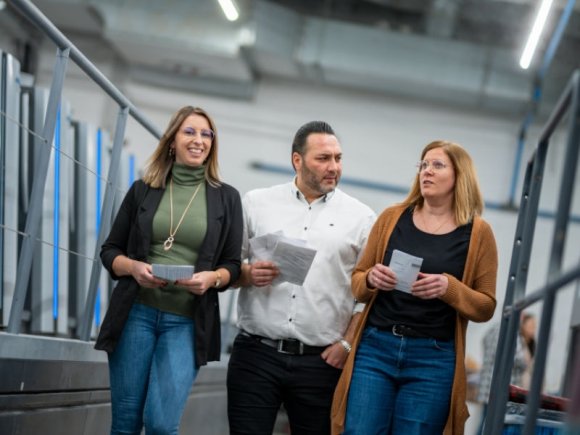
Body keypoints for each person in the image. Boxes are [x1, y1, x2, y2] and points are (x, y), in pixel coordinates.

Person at [332, 140, 499, 435]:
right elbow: (357, 284)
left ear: (460, 176)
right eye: (423, 165)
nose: (427, 171)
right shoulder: (391, 218)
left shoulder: (478, 233)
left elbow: (485, 306)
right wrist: (371, 279)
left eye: (437, 165)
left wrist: (449, 288)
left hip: (433, 358)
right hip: (376, 349)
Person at [95, 106, 243, 434]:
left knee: (161, 424)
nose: (199, 140)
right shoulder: (143, 190)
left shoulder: (227, 198)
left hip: (187, 323)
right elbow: (110, 252)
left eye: (206, 134)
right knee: (125, 422)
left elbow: (232, 265)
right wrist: (133, 267)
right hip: (136, 314)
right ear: (173, 140)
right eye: (190, 132)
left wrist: (212, 278)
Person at [227, 121, 376, 435]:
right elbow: (228, 269)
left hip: (321, 363)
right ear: (297, 160)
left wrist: (347, 344)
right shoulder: (257, 202)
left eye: (337, 158)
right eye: (323, 158)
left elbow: (367, 294)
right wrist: (249, 274)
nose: (333, 167)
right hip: (256, 354)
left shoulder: (361, 218)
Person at [476, 312, 537, 435]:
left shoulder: (493, 329)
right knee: (495, 426)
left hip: (487, 388)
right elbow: (520, 360)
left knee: (484, 423)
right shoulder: (513, 334)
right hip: (501, 390)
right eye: (532, 325)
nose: (533, 329)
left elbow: (483, 343)